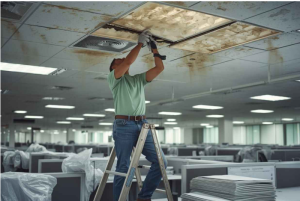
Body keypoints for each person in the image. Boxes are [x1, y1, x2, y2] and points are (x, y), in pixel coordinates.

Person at [107, 31, 167, 201]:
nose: (121, 60)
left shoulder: (138, 80)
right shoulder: (114, 79)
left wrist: (154, 48)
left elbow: (159, 68)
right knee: (123, 167)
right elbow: (128, 61)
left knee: (161, 162)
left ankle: (144, 197)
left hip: (143, 125)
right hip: (123, 125)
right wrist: (140, 44)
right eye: (116, 61)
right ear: (113, 68)